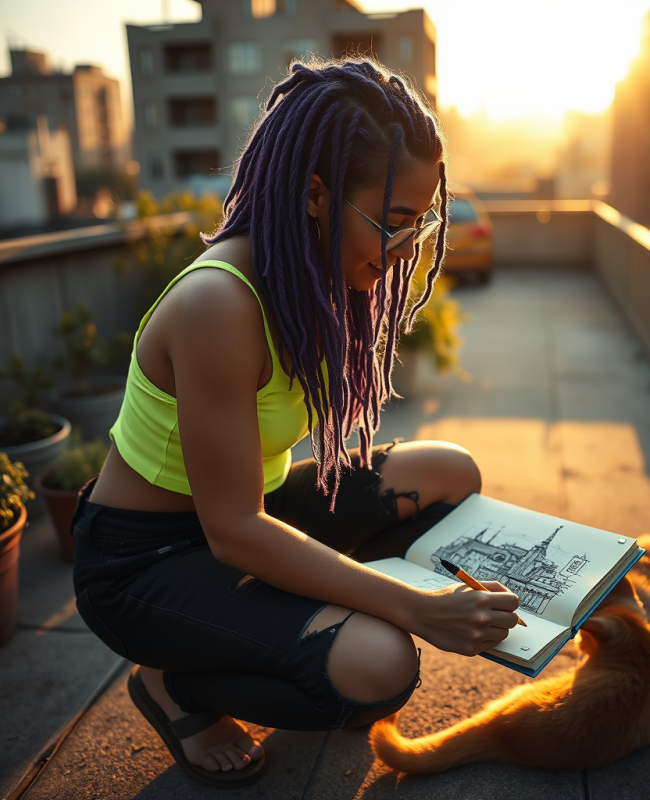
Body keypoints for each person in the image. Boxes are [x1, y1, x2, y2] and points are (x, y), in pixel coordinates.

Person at [72, 58, 520, 789]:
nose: (406, 248)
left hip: (248, 510)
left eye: (421, 221)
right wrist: (418, 608)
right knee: (382, 663)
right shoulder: (218, 304)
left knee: (450, 473)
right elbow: (235, 531)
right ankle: (174, 686)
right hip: (145, 563)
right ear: (316, 196)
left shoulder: (310, 271)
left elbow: (251, 513)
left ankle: (303, 619)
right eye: (393, 223)